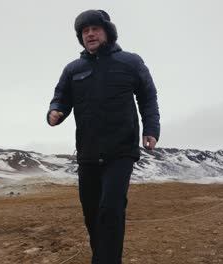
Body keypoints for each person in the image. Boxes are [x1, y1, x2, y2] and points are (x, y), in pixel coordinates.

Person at [46, 9, 160, 264]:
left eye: (95, 29)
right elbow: (60, 98)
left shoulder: (130, 62)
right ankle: (103, 257)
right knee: (91, 213)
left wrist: (151, 129)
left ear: (107, 32)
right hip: (87, 153)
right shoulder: (73, 69)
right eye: (84, 31)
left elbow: (148, 97)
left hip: (120, 150)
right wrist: (55, 112)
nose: (90, 34)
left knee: (111, 209)